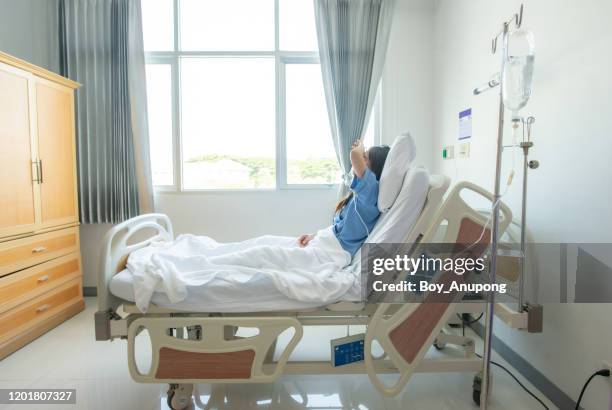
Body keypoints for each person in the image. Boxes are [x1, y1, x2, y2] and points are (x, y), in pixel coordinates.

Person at [298, 140, 390, 257]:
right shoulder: (359, 195)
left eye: (365, 157)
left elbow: (354, 155)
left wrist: (360, 146)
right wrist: (314, 236)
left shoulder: (371, 191)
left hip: (336, 250)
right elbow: (340, 228)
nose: (361, 158)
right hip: (329, 243)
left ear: (374, 168)